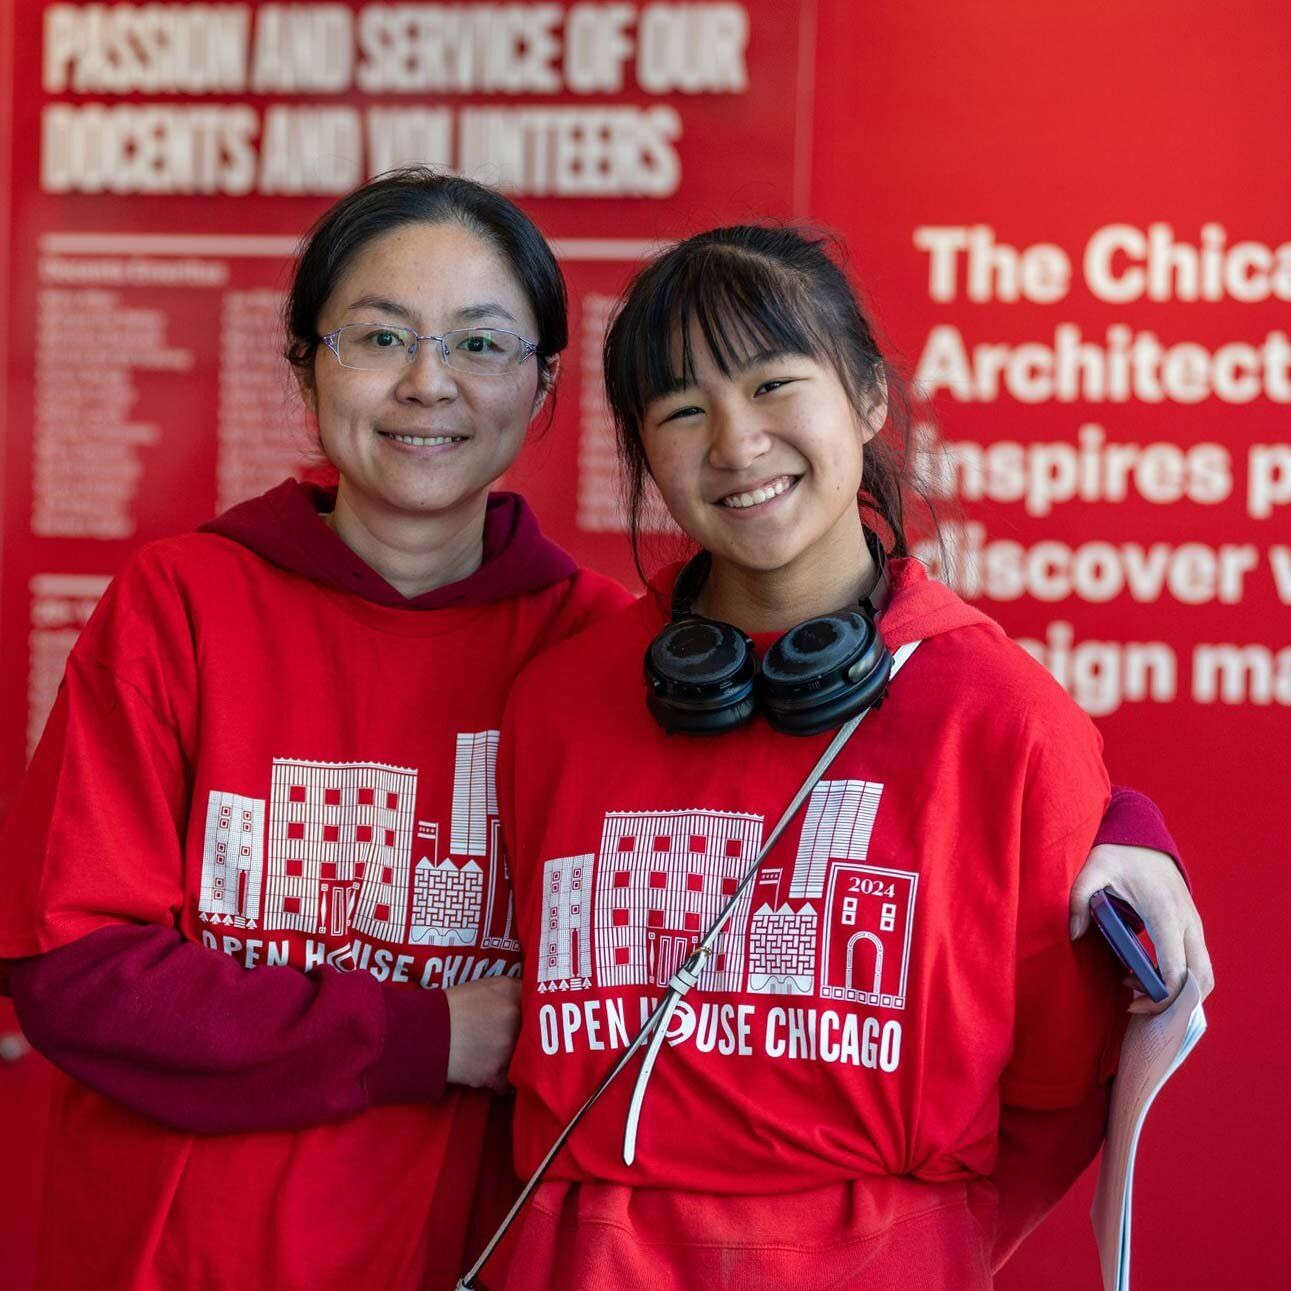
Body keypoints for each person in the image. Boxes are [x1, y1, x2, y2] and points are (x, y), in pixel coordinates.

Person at [0, 175, 1203, 1291]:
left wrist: (1118, 825)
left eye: (479, 345)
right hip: (190, 1252)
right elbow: (70, 963)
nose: (430, 383)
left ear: (540, 390)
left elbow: (963, 792)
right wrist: (434, 1034)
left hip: (462, 1246)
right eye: (379, 338)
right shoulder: (210, 609)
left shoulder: (586, 649)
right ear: (306, 368)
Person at [492, 224, 1212, 1289]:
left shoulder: (1003, 717)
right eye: (683, 409)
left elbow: (1058, 1092)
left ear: (868, 397)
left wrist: (892, 1244)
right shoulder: (561, 698)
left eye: (775, 383)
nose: (736, 444)